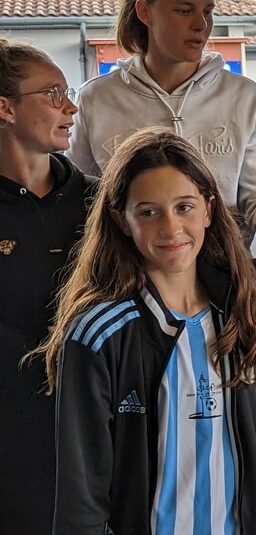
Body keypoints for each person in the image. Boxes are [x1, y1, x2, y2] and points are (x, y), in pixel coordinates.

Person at [40, 128, 256, 534]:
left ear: (208, 209)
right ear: (122, 220)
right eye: (149, 212)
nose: (171, 228)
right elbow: (80, 499)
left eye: (184, 207)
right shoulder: (97, 336)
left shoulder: (245, 317)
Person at [65, 0, 256, 244]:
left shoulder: (244, 96)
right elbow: (80, 199)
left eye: (208, 12)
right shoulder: (96, 98)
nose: (201, 24)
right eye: (184, 11)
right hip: (129, 273)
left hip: (223, 271)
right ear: (144, 11)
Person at [0, 39, 92, 535]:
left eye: (68, 91)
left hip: (96, 431)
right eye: (53, 93)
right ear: (5, 107)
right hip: (14, 445)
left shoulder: (99, 205)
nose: (70, 106)